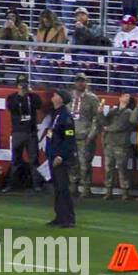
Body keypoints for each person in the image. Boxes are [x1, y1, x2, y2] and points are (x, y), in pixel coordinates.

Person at [3, 75, 43, 192]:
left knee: (34, 160)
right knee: (16, 160)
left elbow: (38, 105)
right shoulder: (12, 98)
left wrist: (29, 94)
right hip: (18, 132)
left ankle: (37, 184)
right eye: (21, 84)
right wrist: (21, 96)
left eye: (24, 84)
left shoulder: (33, 97)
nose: (23, 86)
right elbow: (13, 108)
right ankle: (12, 184)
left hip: (31, 133)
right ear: (17, 85)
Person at [46, 88, 78, 227]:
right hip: (53, 155)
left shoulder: (65, 116)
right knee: (58, 188)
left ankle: (69, 218)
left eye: (55, 95)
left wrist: (61, 156)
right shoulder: (56, 114)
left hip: (60, 158)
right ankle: (59, 216)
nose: (52, 97)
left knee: (63, 188)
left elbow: (69, 139)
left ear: (60, 99)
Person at [67, 74, 101, 199]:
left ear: (87, 83)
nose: (80, 84)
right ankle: (73, 187)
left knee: (85, 163)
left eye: (83, 81)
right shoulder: (70, 97)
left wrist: (91, 136)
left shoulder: (92, 98)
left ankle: (86, 188)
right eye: (78, 81)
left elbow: (96, 119)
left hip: (85, 135)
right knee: (72, 162)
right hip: (71, 135)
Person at [101, 93, 136, 199]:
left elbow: (120, 126)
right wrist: (100, 113)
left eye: (128, 97)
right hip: (109, 144)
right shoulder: (113, 111)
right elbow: (103, 122)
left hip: (121, 145)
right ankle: (108, 191)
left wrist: (107, 128)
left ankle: (125, 192)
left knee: (122, 169)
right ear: (120, 98)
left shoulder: (129, 112)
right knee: (108, 169)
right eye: (125, 96)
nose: (126, 98)